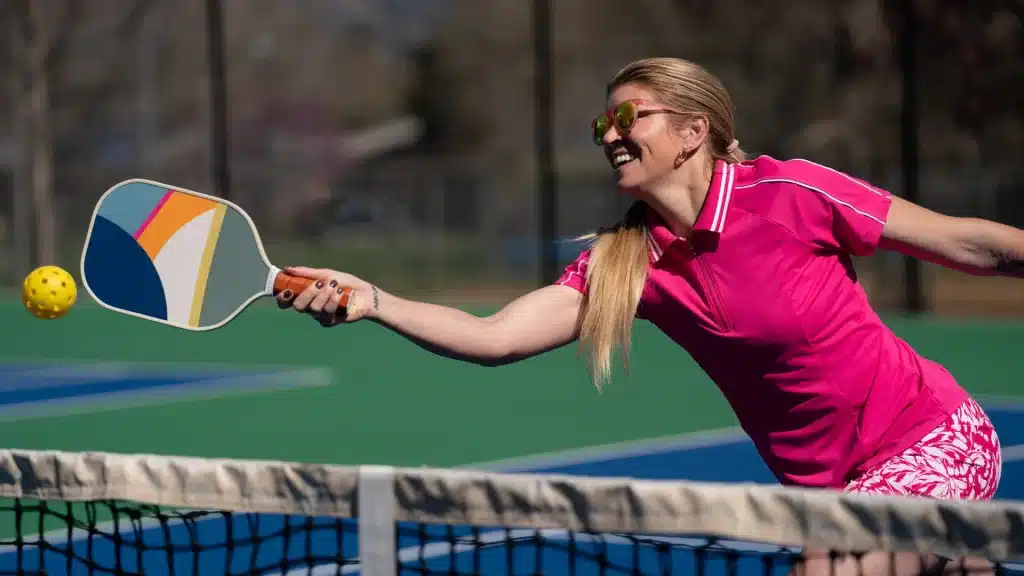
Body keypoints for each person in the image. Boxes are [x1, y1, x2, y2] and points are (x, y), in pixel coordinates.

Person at [277, 57, 1017, 574]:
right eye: (602, 121)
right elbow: (494, 337)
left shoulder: (791, 192)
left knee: (832, 565)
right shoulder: (627, 263)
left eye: (629, 115)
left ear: (693, 130)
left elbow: (966, 244)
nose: (608, 134)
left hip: (931, 437)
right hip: (825, 489)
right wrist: (374, 300)